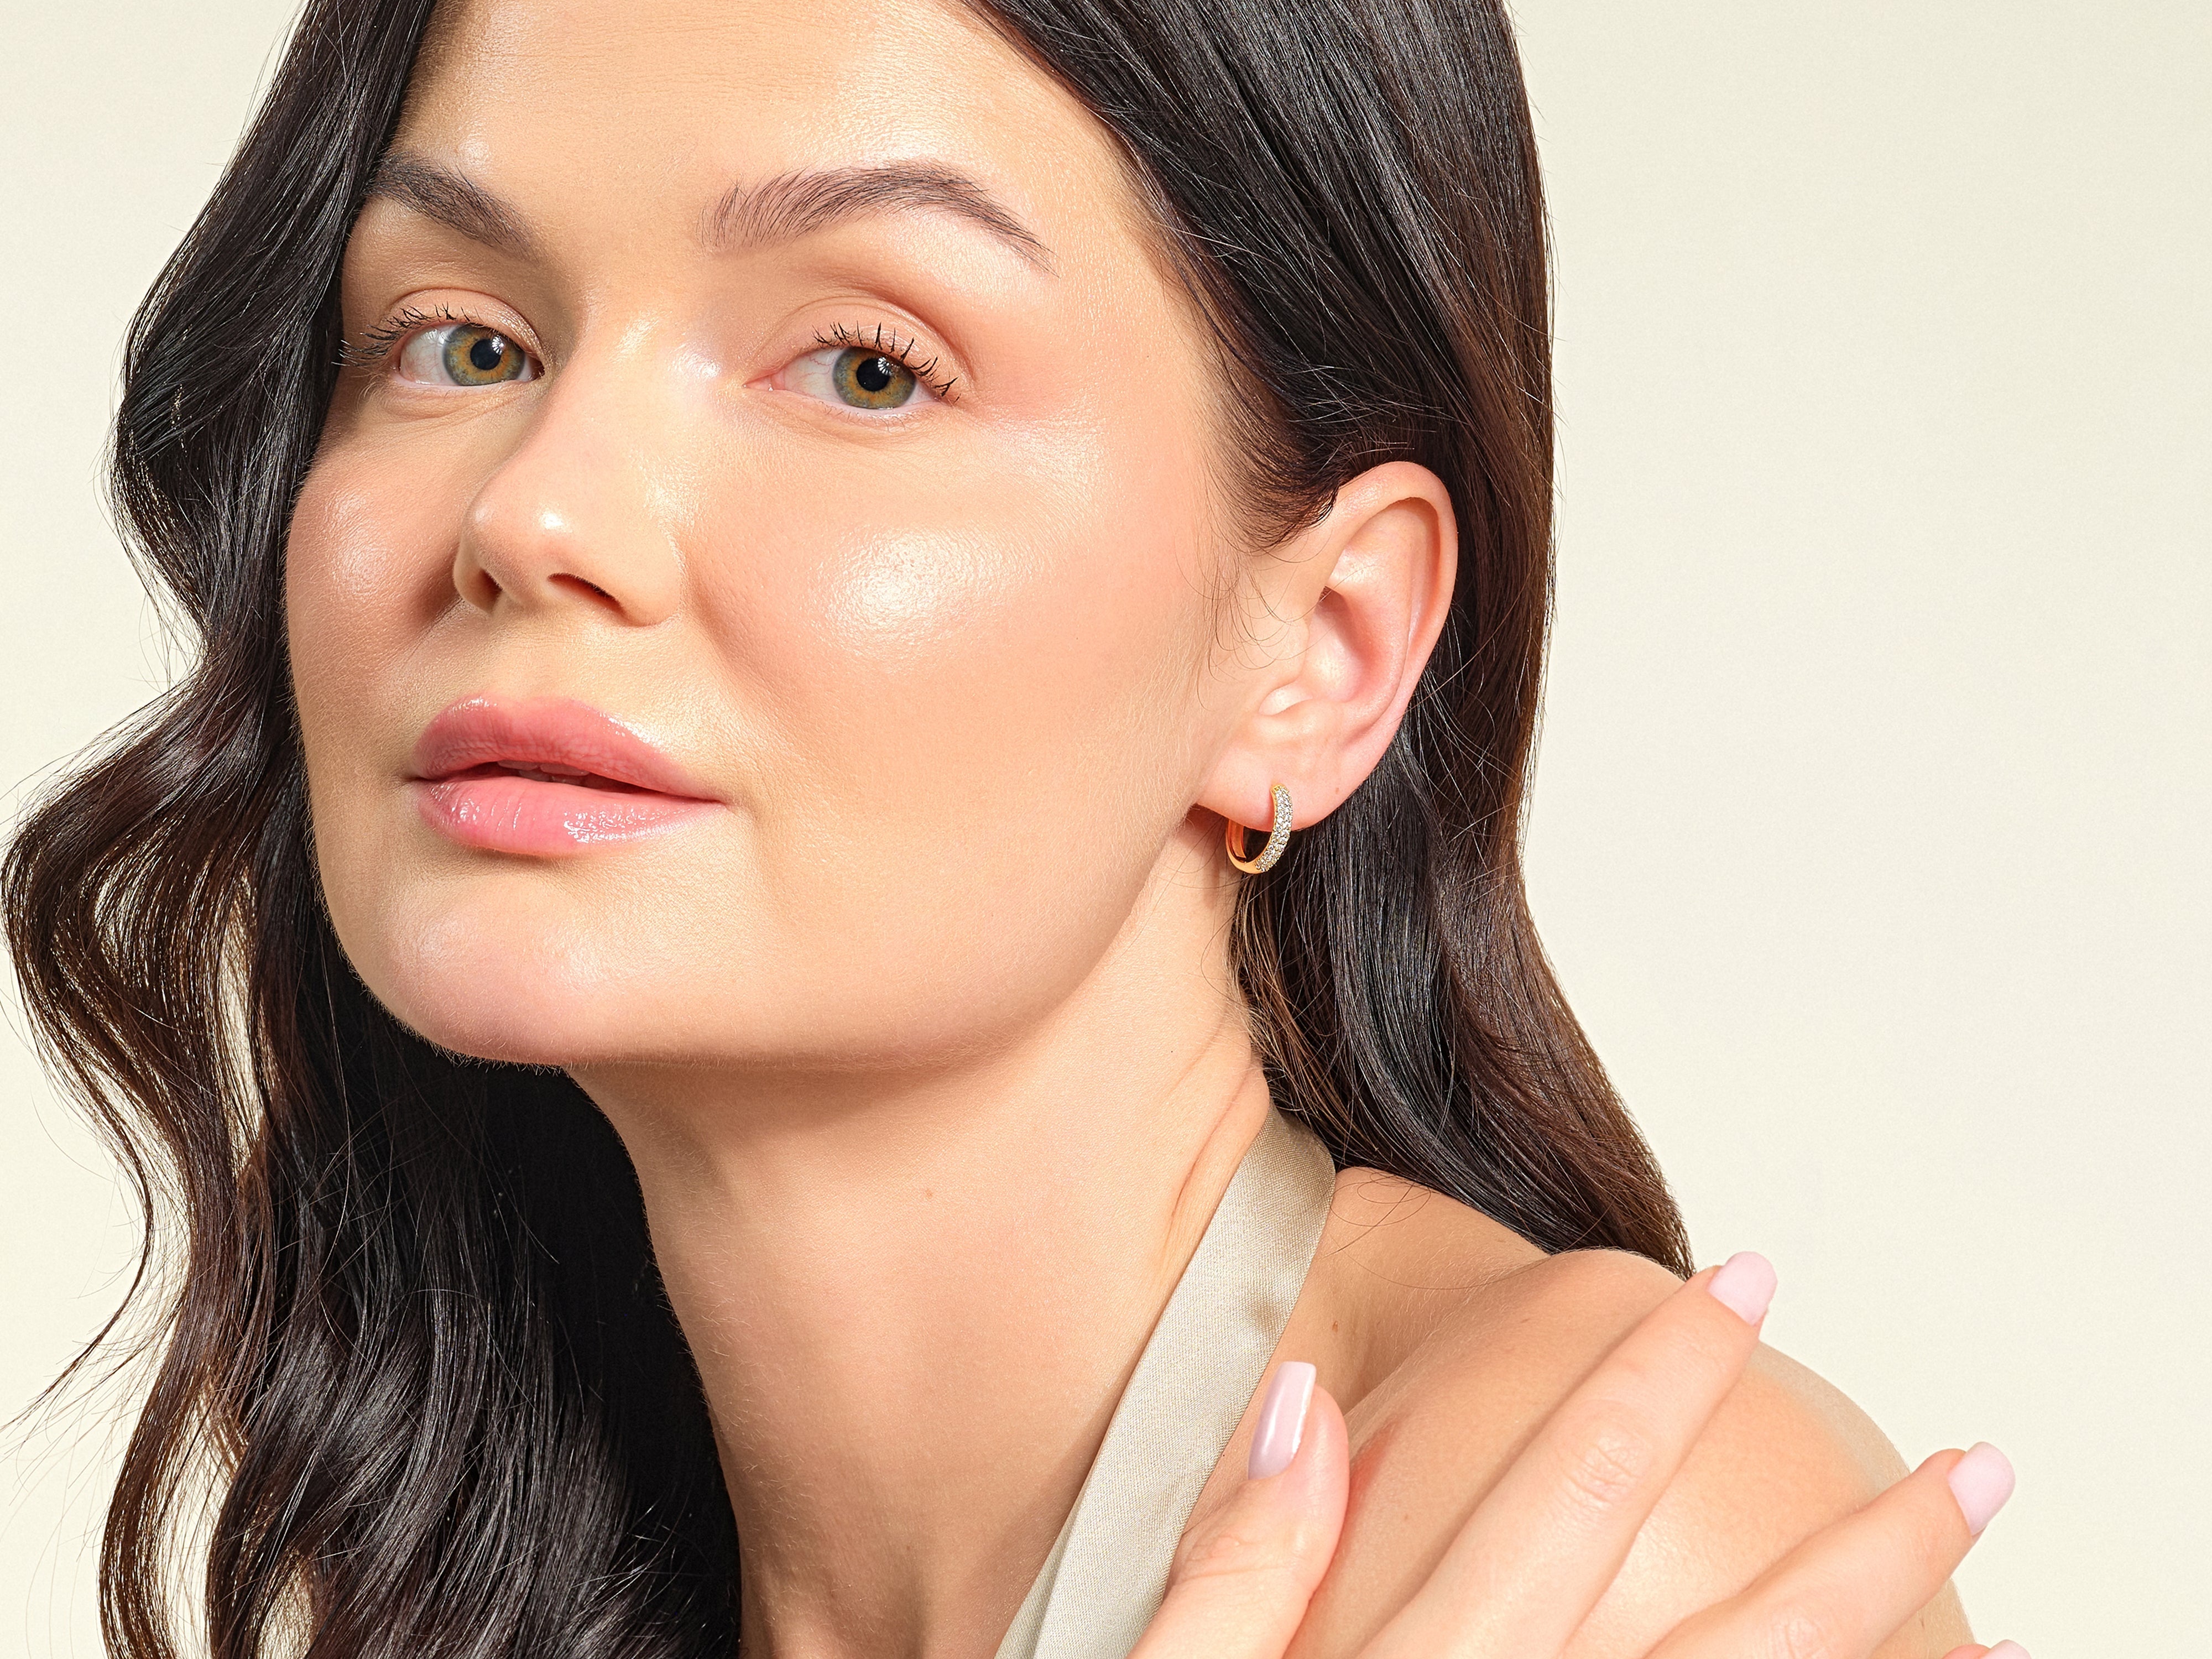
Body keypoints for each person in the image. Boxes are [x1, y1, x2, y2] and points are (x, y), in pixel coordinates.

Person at [1, 0, 2026, 1655]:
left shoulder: (1584, 1545)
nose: (535, 511)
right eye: (465, 343)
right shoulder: (503, 1568)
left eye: (869, 366)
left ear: (1320, 650)